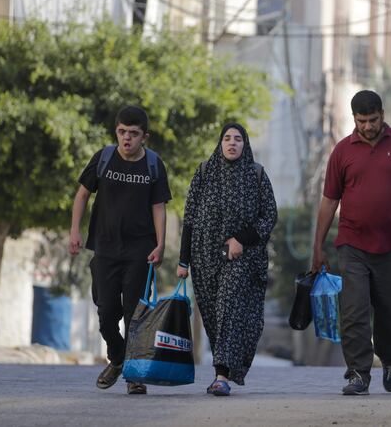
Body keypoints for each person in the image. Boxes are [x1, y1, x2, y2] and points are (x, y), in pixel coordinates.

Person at [310, 90, 391, 396]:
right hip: (352, 244)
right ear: (354, 119)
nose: (368, 126)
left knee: (390, 310)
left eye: (373, 119)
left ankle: (390, 360)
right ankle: (358, 373)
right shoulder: (342, 152)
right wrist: (317, 246)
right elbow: (329, 201)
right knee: (354, 310)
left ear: (383, 114)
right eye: (362, 121)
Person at [69, 106, 171, 395]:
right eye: (122, 132)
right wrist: (75, 230)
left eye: (134, 134)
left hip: (140, 250)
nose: (127, 138)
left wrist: (161, 244)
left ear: (144, 137)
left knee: (134, 315)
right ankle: (118, 357)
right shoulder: (103, 158)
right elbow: (82, 194)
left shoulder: (153, 165)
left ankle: (134, 375)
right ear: (117, 132)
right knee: (106, 312)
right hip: (105, 248)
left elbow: (159, 207)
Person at [177, 123, 278, 397]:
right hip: (205, 259)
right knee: (214, 316)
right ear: (220, 143)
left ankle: (222, 376)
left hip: (241, 259)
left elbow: (269, 216)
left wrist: (240, 240)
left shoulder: (256, 175)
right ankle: (221, 370)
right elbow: (189, 219)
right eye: (227, 138)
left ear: (245, 145)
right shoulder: (204, 172)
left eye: (238, 139)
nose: (232, 143)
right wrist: (183, 260)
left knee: (230, 307)